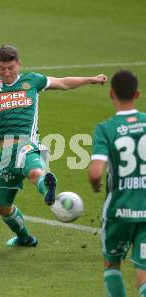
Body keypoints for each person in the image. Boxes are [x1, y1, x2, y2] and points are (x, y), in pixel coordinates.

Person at [0, 20, 106, 247]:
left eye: (11, 67)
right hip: (5, 154)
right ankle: (25, 238)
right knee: (2, 207)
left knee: (35, 171)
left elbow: (63, 83)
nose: (6, 72)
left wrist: (90, 79)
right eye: (2, 68)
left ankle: (48, 187)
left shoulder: (32, 81)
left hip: (27, 145)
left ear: (19, 65)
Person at [89, 70, 146, 297]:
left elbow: (95, 173)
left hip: (118, 211)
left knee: (112, 265)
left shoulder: (106, 128)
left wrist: (96, 186)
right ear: (137, 94)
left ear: (111, 93)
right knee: (143, 275)